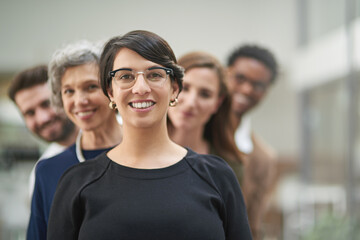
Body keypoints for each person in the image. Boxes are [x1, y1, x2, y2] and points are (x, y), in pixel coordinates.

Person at [47, 30, 252, 240]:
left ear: (174, 88)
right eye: (126, 76)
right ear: (110, 92)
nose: (141, 88)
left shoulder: (217, 176)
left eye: (154, 75)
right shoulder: (77, 182)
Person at [26, 40, 123, 240]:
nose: (79, 101)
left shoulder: (147, 157)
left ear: (113, 90)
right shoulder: (48, 171)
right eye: (69, 91)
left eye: (90, 87)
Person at [167, 51, 245, 183]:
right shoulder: (129, 148)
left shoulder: (227, 167)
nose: (191, 103)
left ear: (217, 103)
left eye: (205, 94)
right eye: (184, 88)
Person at [227, 44, 278, 240]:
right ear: (225, 74)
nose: (247, 89)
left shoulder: (262, 159)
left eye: (258, 85)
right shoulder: (188, 130)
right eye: (240, 78)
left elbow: (253, 226)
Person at [7, 65, 78, 199]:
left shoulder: (123, 139)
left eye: (46, 103)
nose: (42, 118)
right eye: (30, 113)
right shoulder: (43, 173)